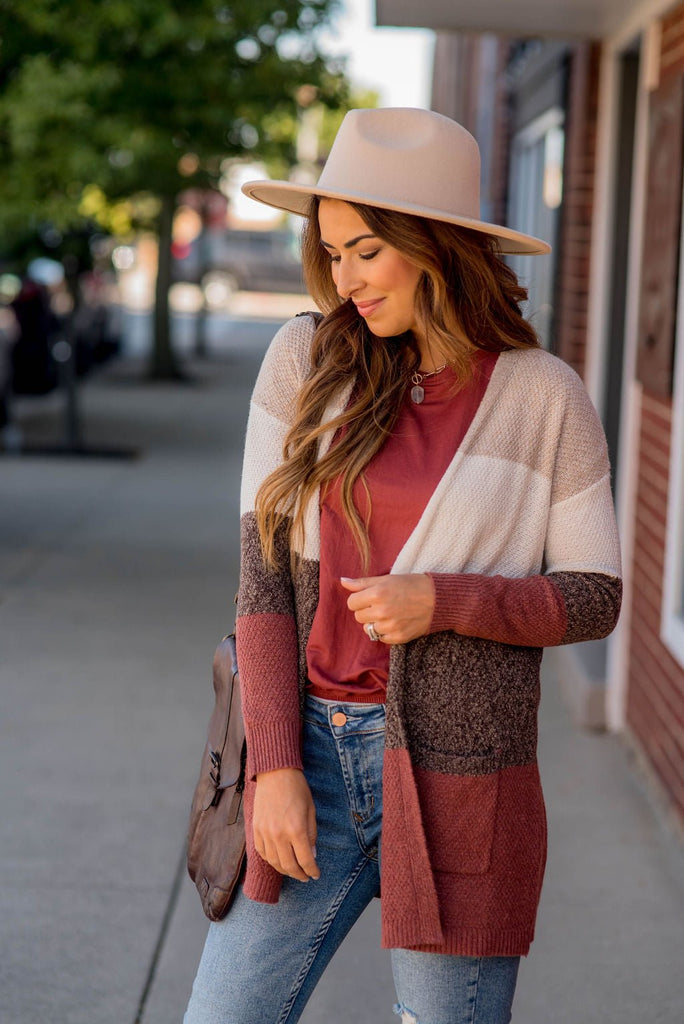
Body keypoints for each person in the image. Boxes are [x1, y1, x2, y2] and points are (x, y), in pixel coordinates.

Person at [184, 107, 622, 1024]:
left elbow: (595, 598)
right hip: (310, 752)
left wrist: (448, 600)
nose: (343, 279)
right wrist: (273, 767)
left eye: (367, 251)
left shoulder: (545, 395)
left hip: (465, 775)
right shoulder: (303, 361)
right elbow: (262, 586)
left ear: (436, 247)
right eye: (332, 251)